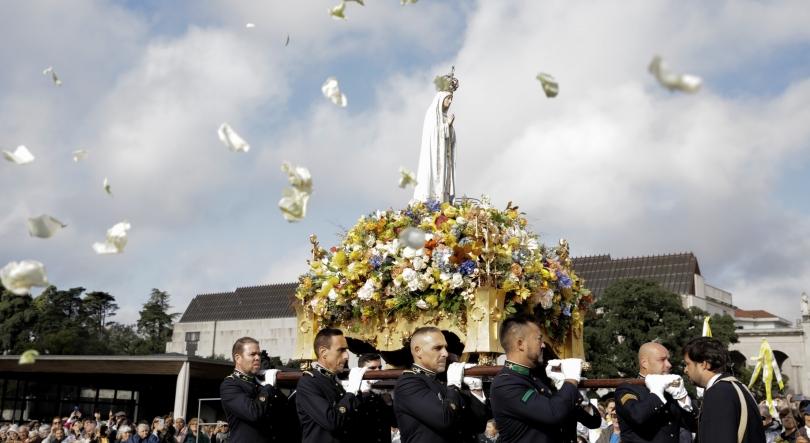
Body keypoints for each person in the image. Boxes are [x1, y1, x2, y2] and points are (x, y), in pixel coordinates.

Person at [489, 313, 597, 442]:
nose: (543, 345)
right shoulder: (506, 384)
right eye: (539, 339)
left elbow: (593, 422)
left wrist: (582, 400)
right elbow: (553, 413)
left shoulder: (540, 377)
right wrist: (571, 379)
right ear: (520, 344)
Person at [393, 326, 489, 443]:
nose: (445, 353)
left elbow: (477, 426)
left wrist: (476, 389)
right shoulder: (408, 383)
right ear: (418, 351)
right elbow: (444, 420)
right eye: (437, 348)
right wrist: (453, 386)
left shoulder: (441, 382)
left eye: (445, 348)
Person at [682, 337, 766, 443]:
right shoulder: (737, 387)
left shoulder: (718, 393)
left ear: (703, 364)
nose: (685, 370)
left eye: (687, 363)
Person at [614, 342, 698, 442]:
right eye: (662, 360)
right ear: (644, 362)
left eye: (669, 360)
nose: (669, 365)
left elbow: (694, 426)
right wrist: (657, 392)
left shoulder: (670, 391)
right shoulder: (627, 389)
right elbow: (637, 416)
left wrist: (682, 397)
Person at [297, 328, 367, 443]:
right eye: (341, 350)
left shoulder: (336, 381)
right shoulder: (309, 382)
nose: (346, 356)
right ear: (323, 352)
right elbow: (332, 422)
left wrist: (364, 392)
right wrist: (351, 392)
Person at [220, 336, 290, 442]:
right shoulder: (230, 385)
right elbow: (253, 413)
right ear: (238, 358)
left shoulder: (260, 383)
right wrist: (269, 387)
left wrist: (275, 388)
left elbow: (285, 411)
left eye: (259, 354)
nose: (257, 358)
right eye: (252, 354)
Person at [354, 353, 398, 443]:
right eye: (373, 368)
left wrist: (385, 397)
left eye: (380, 367)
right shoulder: (354, 393)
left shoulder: (382, 391)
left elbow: (395, 422)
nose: (378, 371)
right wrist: (366, 392)